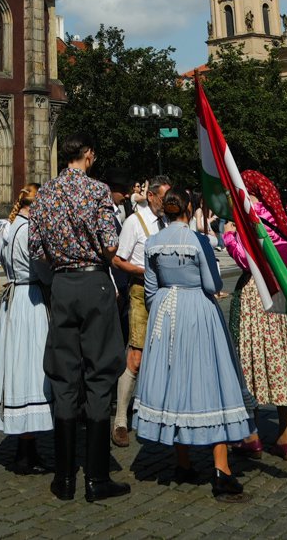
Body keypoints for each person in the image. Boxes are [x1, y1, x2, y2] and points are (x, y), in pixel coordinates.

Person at [29, 132, 131, 504]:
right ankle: (97, 477)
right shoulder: (98, 191)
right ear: (87, 155)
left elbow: (35, 249)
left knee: (64, 373)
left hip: (62, 284)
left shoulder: (45, 194)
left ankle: (65, 477)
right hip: (93, 283)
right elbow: (110, 244)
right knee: (101, 371)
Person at [133, 189, 251, 498]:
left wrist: (163, 304)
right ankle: (221, 469)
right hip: (198, 311)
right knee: (211, 382)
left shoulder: (153, 242)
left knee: (175, 383)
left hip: (165, 312)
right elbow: (212, 284)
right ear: (189, 208)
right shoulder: (197, 241)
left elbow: (149, 289)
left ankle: (182, 462)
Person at [224, 170, 287, 459]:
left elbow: (245, 259)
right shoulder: (279, 218)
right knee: (283, 358)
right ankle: (285, 438)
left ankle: (251, 436)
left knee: (249, 357)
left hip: (255, 291)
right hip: (282, 289)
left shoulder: (244, 219)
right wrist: (281, 263)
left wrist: (229, 236)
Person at [0, 185, 52, 472]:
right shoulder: (28, 231)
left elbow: (0, 260)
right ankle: (26, 446)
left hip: (15, 300)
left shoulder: (8, 228)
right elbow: (41, 270)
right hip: (30, 299)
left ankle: (26, 443)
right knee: (30, 368)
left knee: (17, 365)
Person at [110, 174, 168, 445]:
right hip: (139, 291)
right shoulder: (135, 222)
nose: (167, 202)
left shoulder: (168, 222)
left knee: (165, 355)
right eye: (164, 197)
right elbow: (118, 260)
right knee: (136, 356)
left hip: (166, 294)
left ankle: (156, 412)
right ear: (152, 195)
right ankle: (121, 420)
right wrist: (143, 271)